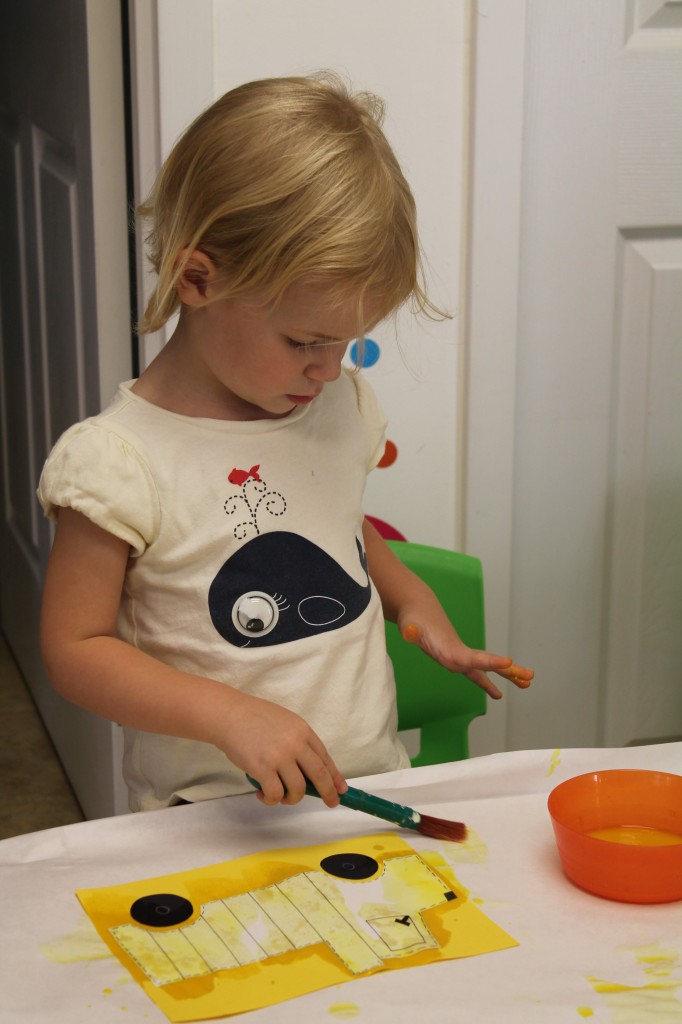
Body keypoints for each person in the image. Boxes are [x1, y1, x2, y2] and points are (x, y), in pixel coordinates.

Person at [38, 74, 533, 813]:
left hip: (366, 790)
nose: (329, 370)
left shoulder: (334, 405)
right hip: (206, 819)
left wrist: (410, 597)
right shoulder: (117, 462)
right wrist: (229, 715)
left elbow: (334, 523)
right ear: (196, 279)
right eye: (305, 341)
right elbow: (74, 650)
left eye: (348, 344)